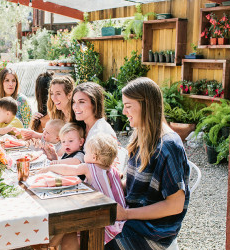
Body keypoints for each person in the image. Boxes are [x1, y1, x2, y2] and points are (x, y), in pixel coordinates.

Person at [105, 77, 190, 250]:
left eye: (128, 106)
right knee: (86, 232)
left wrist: (126, 214)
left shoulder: (168, 145)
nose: (124, 111)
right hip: (134, 219)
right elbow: (134, 184)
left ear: (146, 105)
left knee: (99, 242)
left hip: (155, 231)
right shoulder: (139, 135)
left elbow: (175, 205)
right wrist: (105, 181)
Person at [39, 133, 126, 249]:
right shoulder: (114, 170)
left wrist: (49, 168)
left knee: (71, 219)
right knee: (73, 216)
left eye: (86, 152)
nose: (84, 155)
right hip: (118, 220)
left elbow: (67, 170)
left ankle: (53, 242)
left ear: (94, 157)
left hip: (102, 220)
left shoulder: (89, 167)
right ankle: (53, 242)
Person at [14, 75, 75, 140]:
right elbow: (55, 138)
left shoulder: (76, 116)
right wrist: (33, 133)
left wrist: (35, 135)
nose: (54, 98)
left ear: (69, 95)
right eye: (51, 94)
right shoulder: (57, 114)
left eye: (58, 94)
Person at [70, 82, 116, 150]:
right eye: (74, 102)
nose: (75, 107)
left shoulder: (101, 132)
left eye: (81, 102)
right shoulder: (82, 127)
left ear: (95, 104)